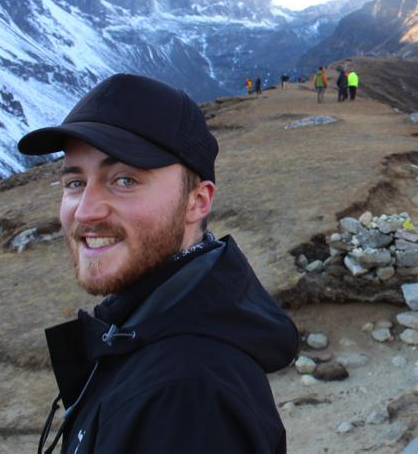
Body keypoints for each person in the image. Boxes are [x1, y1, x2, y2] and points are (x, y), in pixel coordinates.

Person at [18, 74, 299, 454]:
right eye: (75, 183)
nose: (86, 211)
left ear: (197, 202)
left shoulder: (189, 400)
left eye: (125, 180)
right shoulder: (138, 327)